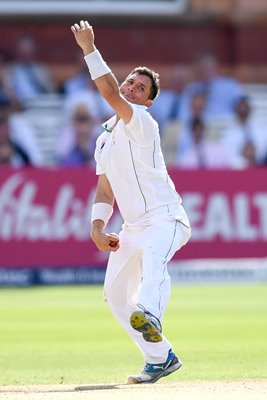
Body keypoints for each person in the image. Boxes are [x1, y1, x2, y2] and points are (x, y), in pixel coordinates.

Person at [71, 20, 191, 384]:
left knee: (154, 262)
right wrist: (96, 227)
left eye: (141, 88)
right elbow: (105, 190)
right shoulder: (105, 137)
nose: (132, 89)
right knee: (114, 296)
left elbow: (108, 92)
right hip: (132, 227)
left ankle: (151, 313)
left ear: (148, 101)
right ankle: (160, 357)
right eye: (131, 83)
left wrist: (89, 49)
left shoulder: (142, 121)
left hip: (166, 218)